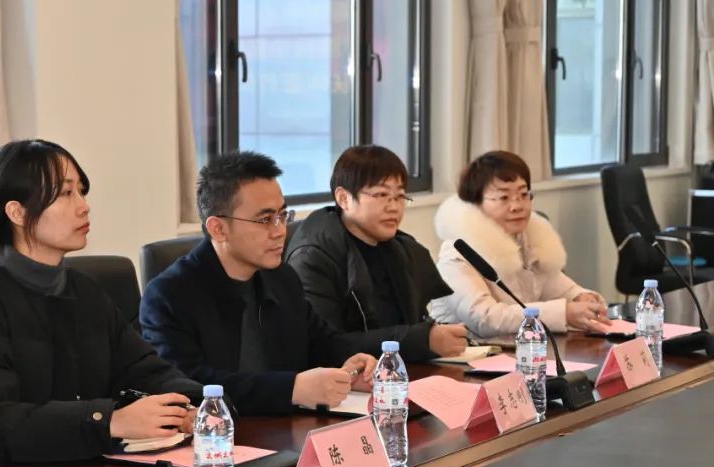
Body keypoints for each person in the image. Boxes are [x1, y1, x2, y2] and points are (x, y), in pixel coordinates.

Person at [0, 139, 202, 467]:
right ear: (17, 212)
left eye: (81, 192)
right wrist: (108, 421)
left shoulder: (86, 292)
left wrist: (192, 404)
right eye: (65, 193)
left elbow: (144, 369)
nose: (83, 206)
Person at [140, 151, 377, 416]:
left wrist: (350, 366)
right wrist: (292, 388)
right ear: (219, 229)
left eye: (283, 215)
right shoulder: (169, 295)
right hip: (219, 434)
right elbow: (186, 385)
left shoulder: (282, 277)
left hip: (287, 426)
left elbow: (321, 341)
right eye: (265, 220)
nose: (280, 231)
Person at [286, 145, 465, 361]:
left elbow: (413, 323)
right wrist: (421, 340)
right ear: (344, 198)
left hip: (398, 371)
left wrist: (434, 336)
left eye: (400, 196)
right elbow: (325, 346)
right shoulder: (313, 258)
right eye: (381, 195)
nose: (394, 207)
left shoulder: (406, 250)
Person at [430, 150, 611, 339]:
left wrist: (580, 297)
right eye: (503, 197)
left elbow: (557, 287)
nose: (517, 206)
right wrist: (564, 313)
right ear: (475, 203)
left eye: (524, 194)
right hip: (467, 352)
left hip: (520, 347)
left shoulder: (526, 239)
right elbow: (485, 318)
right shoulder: (457, 254)